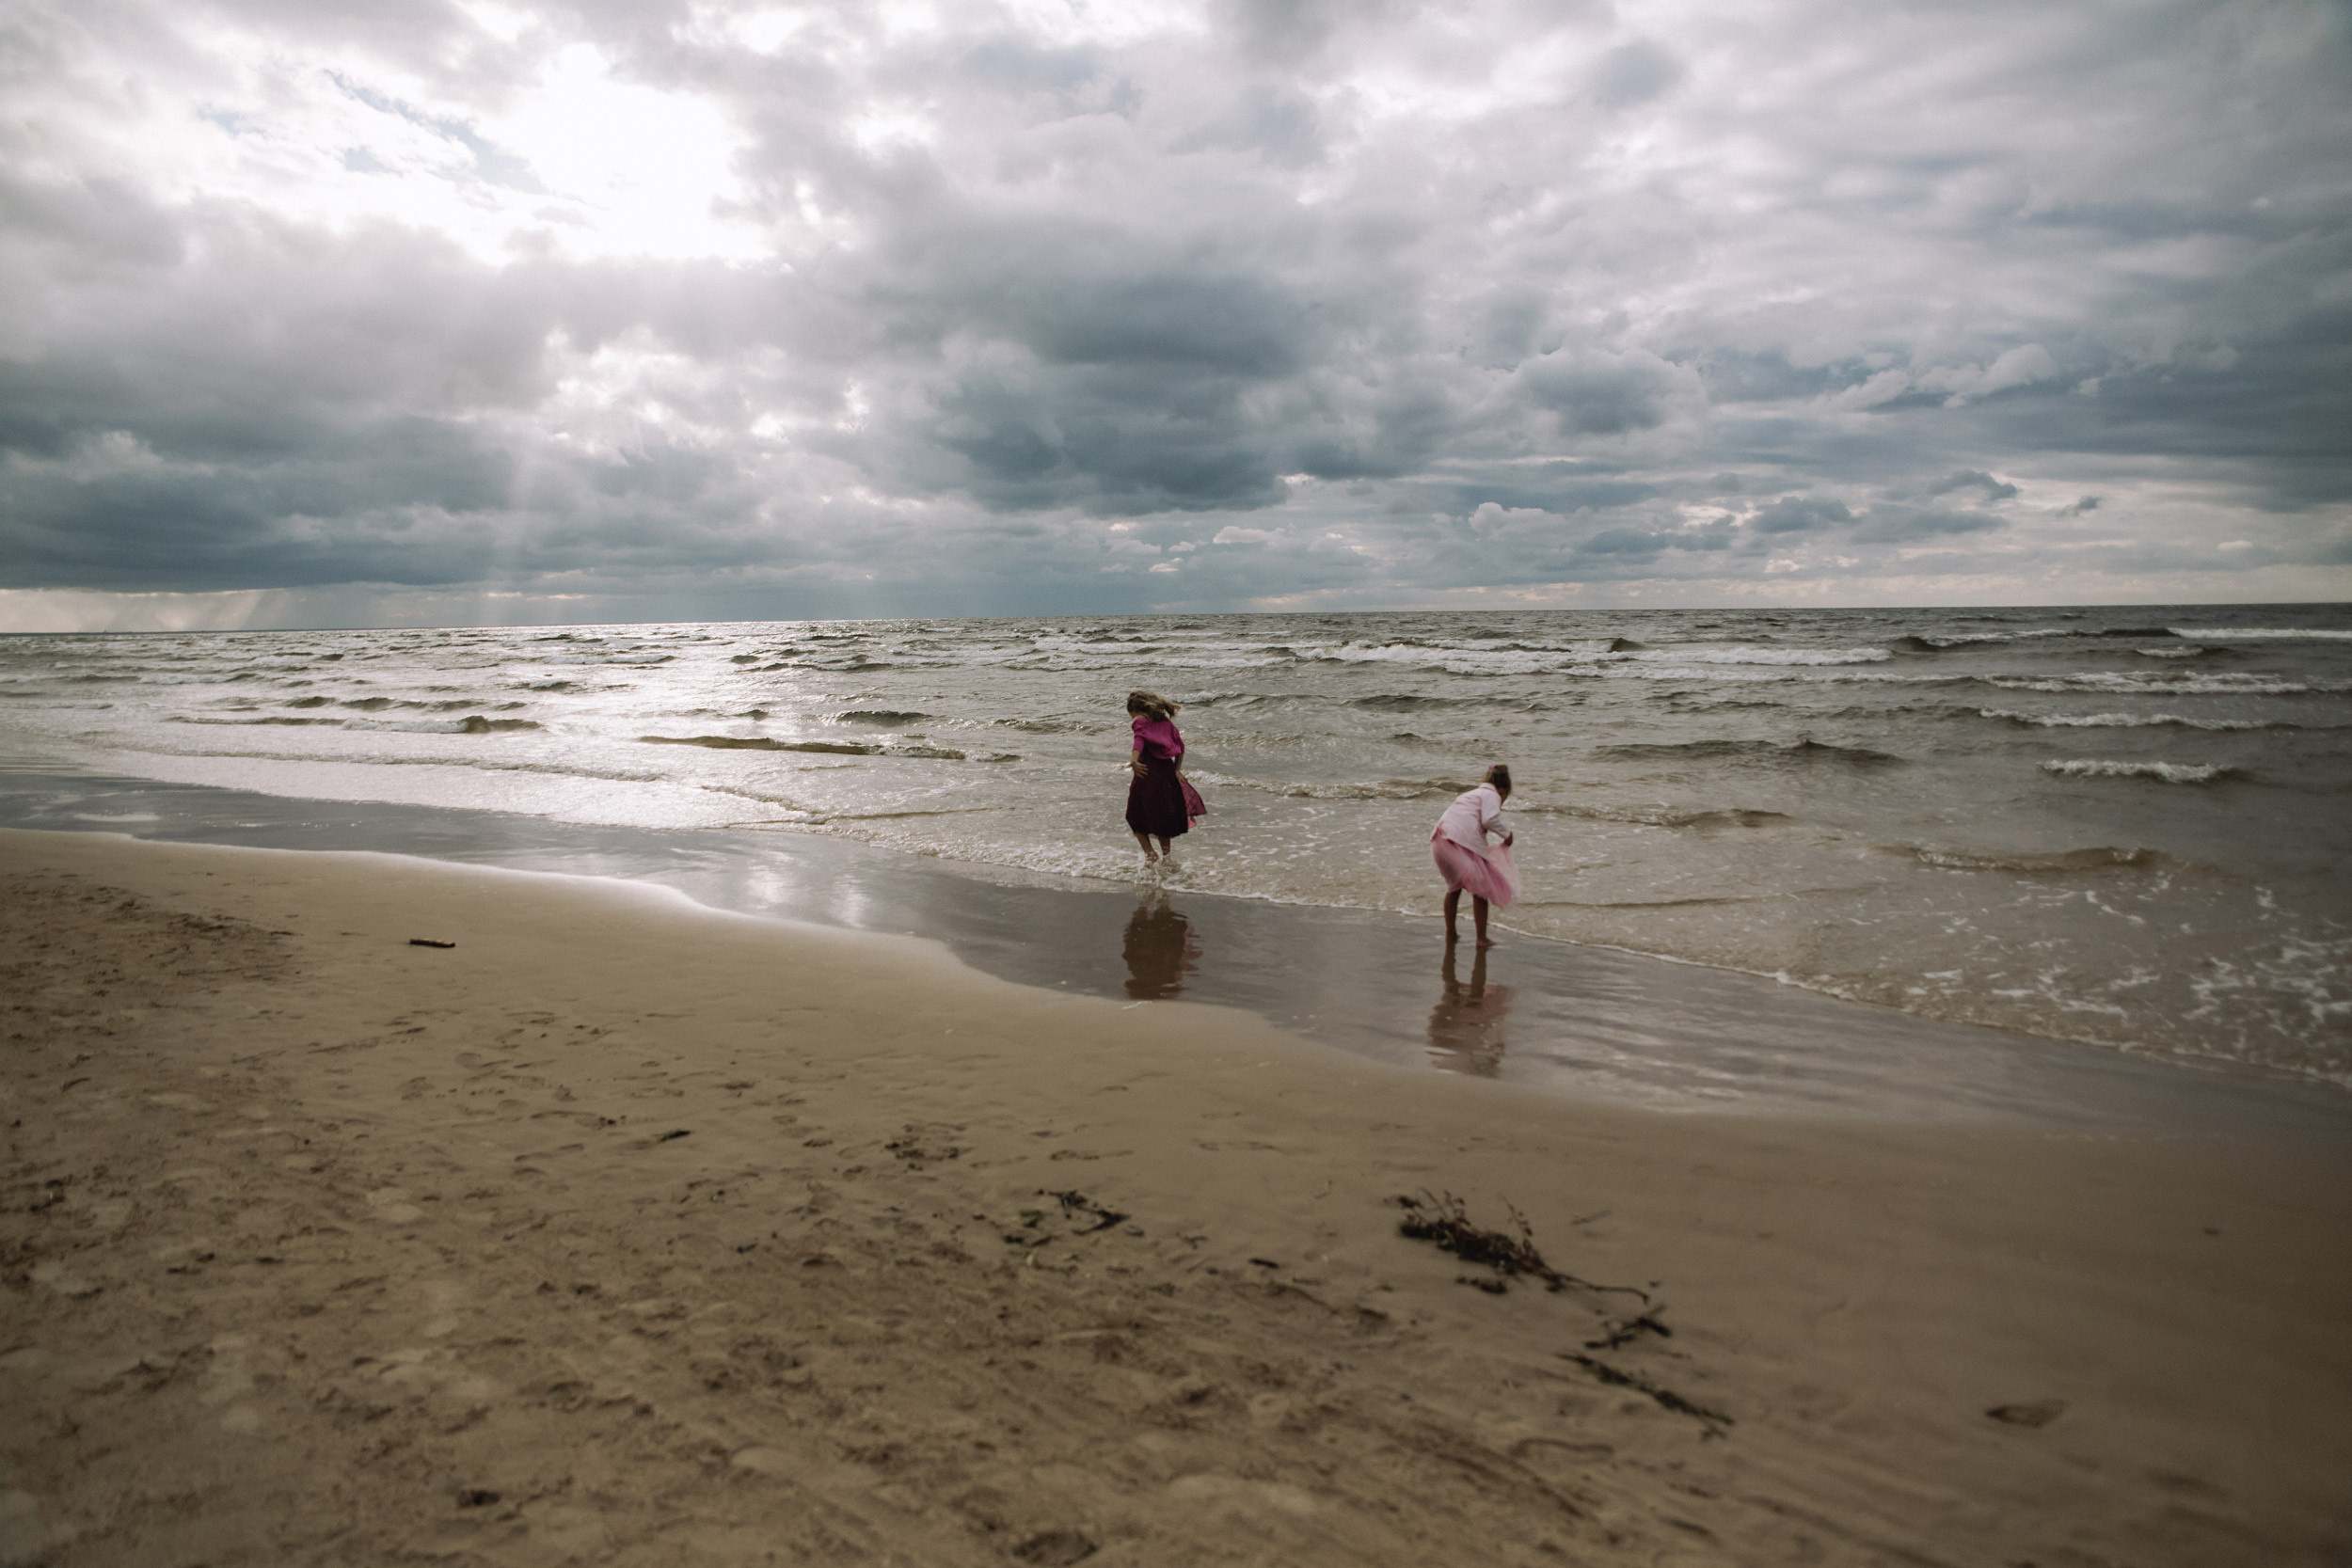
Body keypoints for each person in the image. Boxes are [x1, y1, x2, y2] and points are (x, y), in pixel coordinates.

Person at [1432, 764, 1519, 947]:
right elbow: (1489, 819)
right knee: (1482, 889)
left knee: (1453, 888)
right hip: (1456, 841)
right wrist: (1507, 834)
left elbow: (1466, 821)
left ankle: (1451, 934)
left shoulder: (1470, 794)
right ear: (1503, 790)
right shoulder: (1492, 795)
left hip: (1439, 841)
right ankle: (1481, 938)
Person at [1124, 689, 1203, 864]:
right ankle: (1166, 857)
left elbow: (1138, 740)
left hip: (1147, 772)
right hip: (1167, 773)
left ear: (1134, 710)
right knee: (1162, 817)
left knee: (1134, 816)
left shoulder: (1139, 721)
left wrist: (1134, 761)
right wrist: (1176, 770)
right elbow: (1181, 747)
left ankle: (1150, 854)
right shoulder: (1165, 723)